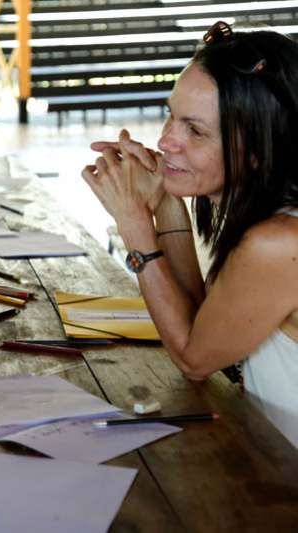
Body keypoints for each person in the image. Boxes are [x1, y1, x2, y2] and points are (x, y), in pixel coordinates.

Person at [82, 22, 298, 447]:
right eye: (170, 115)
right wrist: (163, 203)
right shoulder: (267, 218)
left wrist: (134, 227)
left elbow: (194, 360)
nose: (166, 140)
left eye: (194, 130)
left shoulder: (278, 242)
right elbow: (205, 326)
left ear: (256, 151)